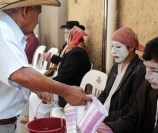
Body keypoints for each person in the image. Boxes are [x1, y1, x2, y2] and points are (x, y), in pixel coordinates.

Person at [0, 1, 91, 132]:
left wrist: (38, 87)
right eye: (38, 14)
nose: (37, 21)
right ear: (25, 11)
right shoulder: (3, 31)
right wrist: (67, 91)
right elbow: (19, 74)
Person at [26, 25, 91, 122]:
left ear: (72, 37)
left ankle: (40, 124)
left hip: (69, 91)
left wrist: (45, 85)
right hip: (66, 86)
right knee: (36, 95)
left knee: (36, 97)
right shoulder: (74, 50)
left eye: (68, 35)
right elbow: (66, 64)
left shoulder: (77, 53)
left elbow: (64, 76)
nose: (66, 37)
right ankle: (40, 122)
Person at [98, 27, 145, 122]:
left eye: (118, 47)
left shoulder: (140, 70)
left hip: (117, 123)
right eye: (112, 46)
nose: (113, 51)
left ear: (131, 47)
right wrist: (93, 108)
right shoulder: (115, 67)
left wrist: (104, 118)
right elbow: (106, 93)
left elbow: (131, 108)